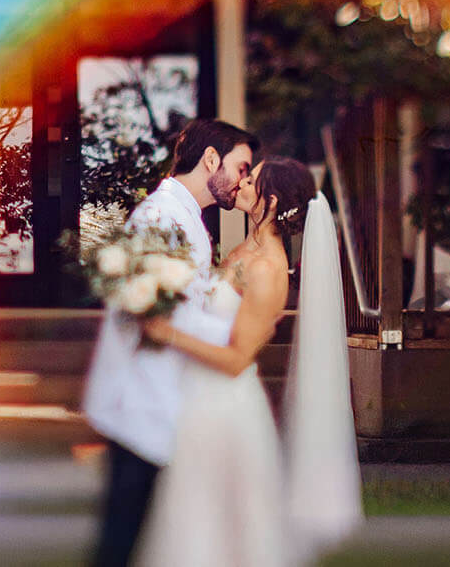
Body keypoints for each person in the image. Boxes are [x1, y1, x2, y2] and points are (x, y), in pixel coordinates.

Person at [135, 157, 364, 566]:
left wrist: (166, 332)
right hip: (201, 398)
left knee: (228, 531)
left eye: (251, 179)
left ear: (271, 202)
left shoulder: (267, 268)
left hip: (227, 406)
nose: (240, 182)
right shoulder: (243, 250)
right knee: (193, 521)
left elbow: (238, 359)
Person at [82, 118, 258, 567]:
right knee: (122, 538)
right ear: (211, 158)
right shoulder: (161, 216)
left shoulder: (187, 219)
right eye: (242, 167)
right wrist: (235, 337)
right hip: (140, 401)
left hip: (166, 398)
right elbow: (157, 313)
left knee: (146, 537)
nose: (243, 181)